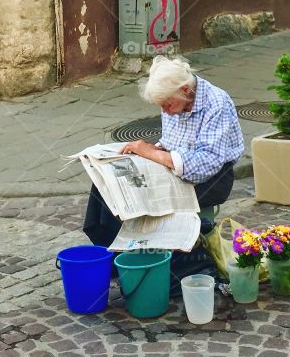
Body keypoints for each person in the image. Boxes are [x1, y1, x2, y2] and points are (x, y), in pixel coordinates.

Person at [82, 55, 243, 256]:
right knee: (107, 180)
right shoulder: (175, 99)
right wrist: (151, 151)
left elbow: (205, 165)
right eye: (161, 106)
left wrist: (150, 153)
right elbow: (170, 142)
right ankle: (107, 247)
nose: (165, 111)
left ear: (186, 90)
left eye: (168, 105)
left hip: (212, 180)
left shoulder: (216, 104)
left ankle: (129, 253)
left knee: (142, 190)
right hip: (176, 166)